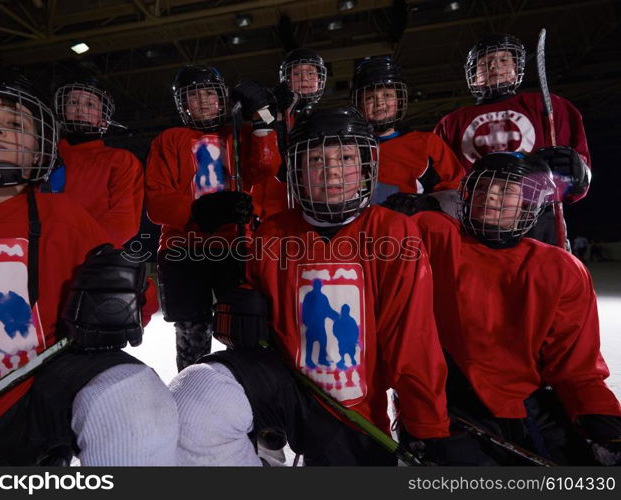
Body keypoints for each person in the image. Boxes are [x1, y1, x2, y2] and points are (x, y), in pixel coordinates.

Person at [168, 107, 486, 466]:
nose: (333, 170)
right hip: (288, 389)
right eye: (317, 158)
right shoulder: (272, 232)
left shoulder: (392, 231)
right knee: (194, 397)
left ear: (366, 166)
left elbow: (411, 339)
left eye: (346, 157)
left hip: (356, 410)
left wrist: (428, 427)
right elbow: (255, 328)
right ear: (298, 170)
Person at [0, 71, 177, 466]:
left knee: (135, 400)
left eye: (14, 124)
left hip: (47, 391)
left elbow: (138, 297)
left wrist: (115, 304)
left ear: (39, 145)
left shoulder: (63, 215)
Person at [412, 151, 621, 465]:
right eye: (483, 187)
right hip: (450, 404)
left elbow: (575, 366)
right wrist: (391, 219)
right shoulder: (436, 235)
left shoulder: (559, 268)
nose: (490, 196)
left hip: (527, 404)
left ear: (530, 203)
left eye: (506, 190)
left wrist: (600, 416)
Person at [144, 64, 280, 372]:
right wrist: (198, 212)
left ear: (222, 99)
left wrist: (262, 120)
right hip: (183, 250)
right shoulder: (168, 140)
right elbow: (157, 202)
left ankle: (249, 389)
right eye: (194, 95)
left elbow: (266, 168)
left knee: (245, 324)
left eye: (209, 93)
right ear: (183, 104)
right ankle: (191, 389)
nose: (203, 101)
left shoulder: (240, 133)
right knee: (191, 331)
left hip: (233, 245)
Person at [434, 34, 591, 245]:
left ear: (517, 68)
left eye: (503, 60)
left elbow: (576, 169)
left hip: (537, 217)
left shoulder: (549, 106)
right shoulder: (451, 122)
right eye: (485, 63)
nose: (494, 66)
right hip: (477, 220)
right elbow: (442, 178)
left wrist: (577, 175)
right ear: (472, 75)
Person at [351, 56, 463, 217]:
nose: (379, 103)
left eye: (387, 95)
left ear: (399, 101)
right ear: (359, 104)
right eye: (370, 98)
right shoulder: (348, 151)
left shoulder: (427, 143)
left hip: (416, 231)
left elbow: (454, 194)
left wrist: (424, 205)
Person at [48, 80, 144, 246]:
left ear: (103, 118)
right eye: (73, 102)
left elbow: (124, 221)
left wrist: (76, 247)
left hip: (92, 258)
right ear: (63, 111)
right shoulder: (43, 156)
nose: (80, 109)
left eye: (90, 104)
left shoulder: (121, 160)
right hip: (41, 252)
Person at [251, 48, 329, 223]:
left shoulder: (327, 119)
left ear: (320, 79)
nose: (304, 78)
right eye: (296, 73)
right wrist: (274, 112)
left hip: (317, 202)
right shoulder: (271, 112)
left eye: (310, 72)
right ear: (285, 80)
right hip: (278, 202)